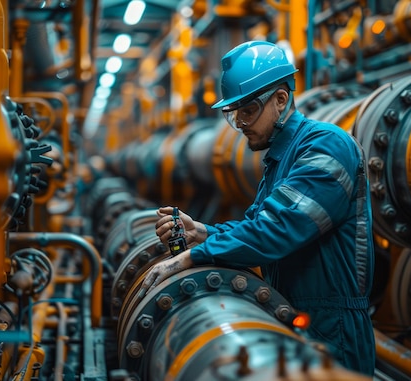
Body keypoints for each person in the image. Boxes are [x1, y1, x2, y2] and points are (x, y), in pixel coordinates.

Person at [139, 40, 376, 376]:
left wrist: (192, 256)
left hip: (333, 325)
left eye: (247, 111)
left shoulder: (325, 146)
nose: (240, 124)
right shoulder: (280, 157)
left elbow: (276, 231)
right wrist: (201, 233)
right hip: (292, 312)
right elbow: (256, 224)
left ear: (280, 100)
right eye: (233, 114)